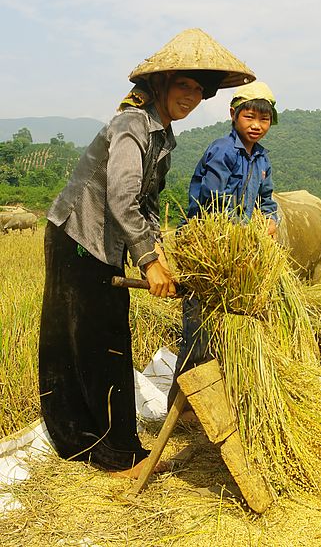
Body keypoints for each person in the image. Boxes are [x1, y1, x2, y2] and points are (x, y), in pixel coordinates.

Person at [38, 28, 256, 479]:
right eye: (184, 86)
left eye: (199, 90)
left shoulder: (163, 135)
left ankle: (87, 438)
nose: (192, 96)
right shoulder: (132, 125)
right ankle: (109, 451)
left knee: (98, 338)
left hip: (102, 241)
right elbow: (120, 197)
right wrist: (148, 260)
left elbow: (148, 203)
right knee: (95, 343)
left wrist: (160, 250)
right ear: (161, 85)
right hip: (77, 236)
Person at [167, 80, 279, 413]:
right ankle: (181, 409)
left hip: (237, 253)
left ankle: (223, 404)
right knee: (198, 335)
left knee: (233, 331)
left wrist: (271, 221)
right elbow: (214, 204)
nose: (256, 125)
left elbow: (267, 200)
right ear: (234, 115)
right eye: (249, 116)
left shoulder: (261, 160)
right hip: (207, 252)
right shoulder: (222, 151)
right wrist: (241, 235)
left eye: (265, 119)